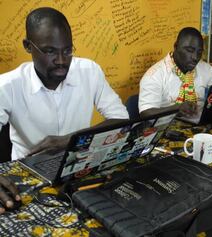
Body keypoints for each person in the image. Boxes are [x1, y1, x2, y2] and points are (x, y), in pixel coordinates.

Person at [0, 7, 128, 213]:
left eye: (67, 50)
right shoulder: (7, 86)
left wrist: (73, 139)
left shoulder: (90, 71)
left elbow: (121, 120)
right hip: (30, 175)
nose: (61, 60)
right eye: (50, 51)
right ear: (27, 46)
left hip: (80, 168)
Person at [138, 27, 212, 119]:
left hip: (197, 124)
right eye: (189, 50)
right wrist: (176, 108)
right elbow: (145, 113)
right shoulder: (155, 75)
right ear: (176, 46)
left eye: (199, 52)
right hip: (165, 127)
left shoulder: (204, 68)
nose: (195, 57)